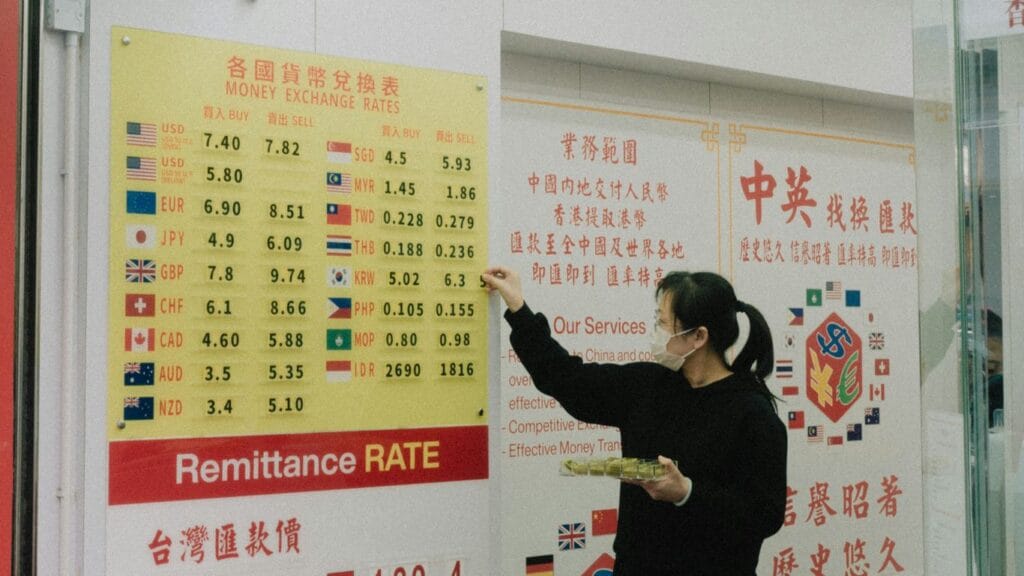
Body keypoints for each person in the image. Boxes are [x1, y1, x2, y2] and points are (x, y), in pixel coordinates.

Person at [481, 266, 787, 576]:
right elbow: (568, 379)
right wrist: (519, 308)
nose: (657, 332)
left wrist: (687, 492)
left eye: (663, 323)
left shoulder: (752, 413)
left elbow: (764, 515)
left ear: (699, 336)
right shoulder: (648, 386)